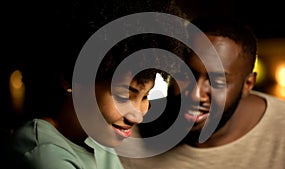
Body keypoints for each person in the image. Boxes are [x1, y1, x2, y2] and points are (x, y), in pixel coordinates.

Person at [119, 16, 285, 168]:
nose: (195, 94)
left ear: (248, 84)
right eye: (185, 74)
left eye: (217, 81)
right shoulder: (127, 130)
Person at [6, 13, 173, 168]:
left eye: (146, 97)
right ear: (73, 78)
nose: (138, 116)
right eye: (123, 96)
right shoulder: (44, 156)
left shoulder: (97, 137)